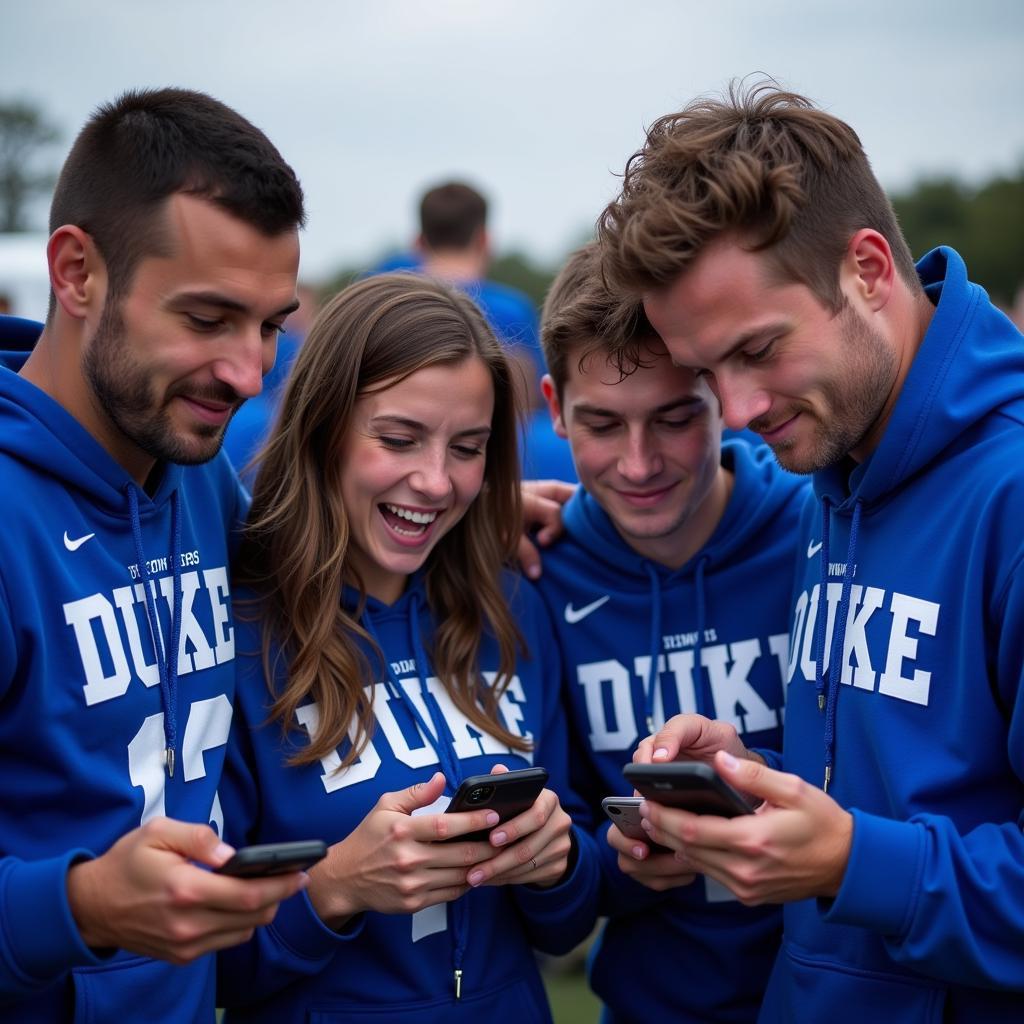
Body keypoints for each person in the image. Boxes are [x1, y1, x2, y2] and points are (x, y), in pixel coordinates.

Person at [597, 81, 1024, 1021]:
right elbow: (919, 774)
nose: (737, 413)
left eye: (759, 349)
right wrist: (754, 778)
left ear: (868, 269)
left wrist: (850, 861)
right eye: (708, 372)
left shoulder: (1008, 493)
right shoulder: (835, 464)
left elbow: (885, 848)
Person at [216, 273, 600, 1023]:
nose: (434, 482)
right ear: (324, 428)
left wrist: (557, 861)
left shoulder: (513, 603)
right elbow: (200, 967)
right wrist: (336, 888)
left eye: (468, 447)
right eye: (398, 439)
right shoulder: (238, 634)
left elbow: (568, 920)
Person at [0, 88, 308, 1022]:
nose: (249, 374)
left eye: (269, 325)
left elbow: (322, 575)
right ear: (77, 273)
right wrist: (81, 906)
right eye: (208, 319)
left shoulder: (197, 473)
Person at [533, 242, 806, 1022]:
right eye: (602, 425)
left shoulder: (817, 529)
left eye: (676, 417)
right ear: (554, 408)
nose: (640, 461)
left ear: (724, 393)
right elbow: (565, 871)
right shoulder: (538, 573)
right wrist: (622, 866)